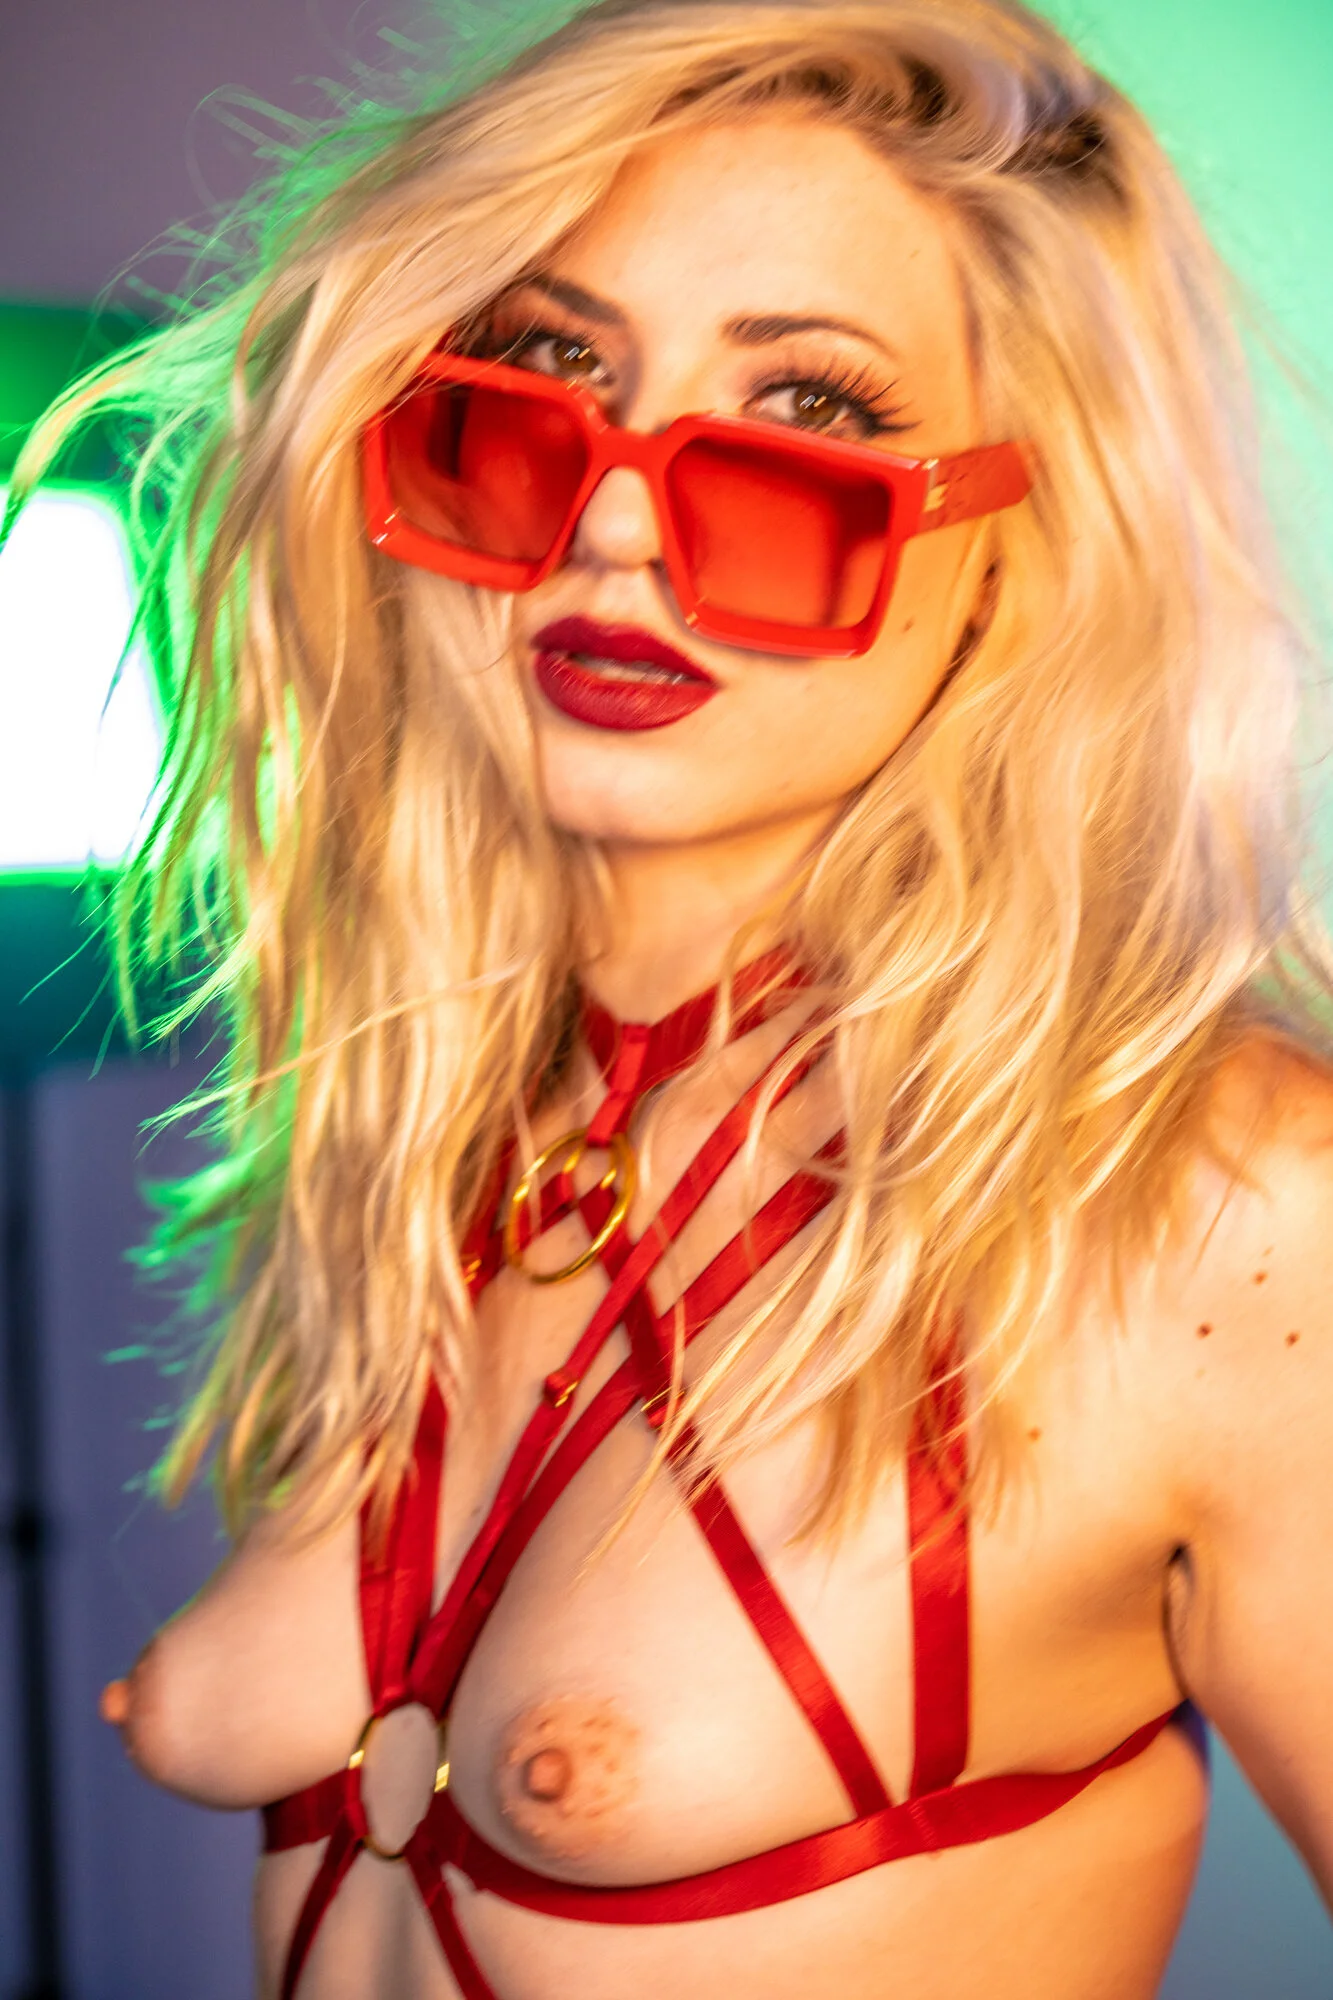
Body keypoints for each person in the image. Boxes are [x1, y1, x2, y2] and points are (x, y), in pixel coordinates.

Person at [20, 0, 1333, 1993]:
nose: (614, 522)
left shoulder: (1220, 1204)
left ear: (1017, 544)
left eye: (805, 416)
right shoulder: (407, 1138)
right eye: (544, 375)